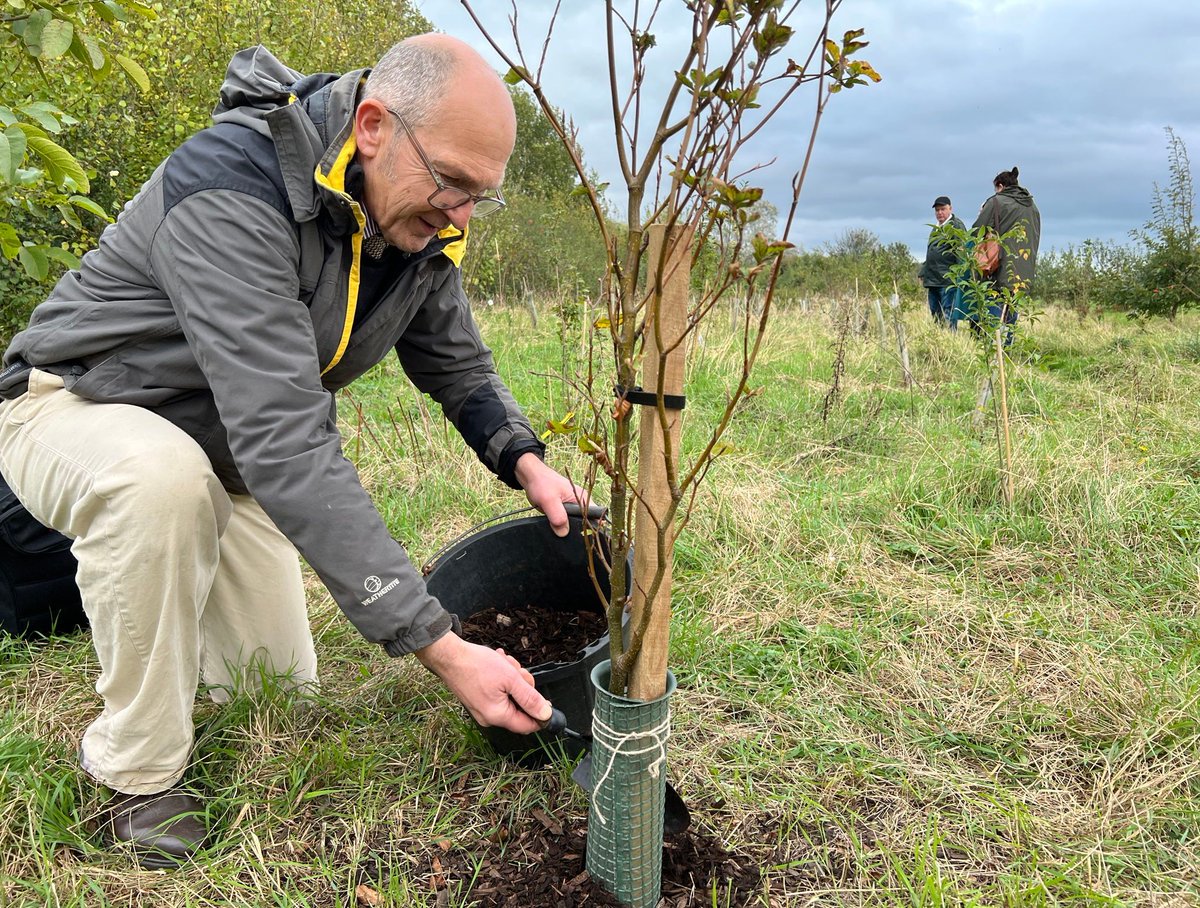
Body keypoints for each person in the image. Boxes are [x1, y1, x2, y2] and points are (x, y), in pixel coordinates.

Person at [0, 35, 584, 867]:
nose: (460, 214)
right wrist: (439, 644)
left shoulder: (411, 222)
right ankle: (135, 776)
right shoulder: (230, 189)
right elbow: (284, 437)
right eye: (452, 181)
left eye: (478, 197)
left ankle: (159, 582)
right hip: (75, 404)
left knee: (276, 692)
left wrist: (526, 461)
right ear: (373, 126)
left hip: (220, 454)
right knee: (158, 485)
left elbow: (457, 363)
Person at [970, 166, 1041, 340]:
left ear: (1000, 186)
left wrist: (981, 213)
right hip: (1023, 270)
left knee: (994, 312)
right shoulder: (1032, 206)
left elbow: (976, 231)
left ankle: (995, 349)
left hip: (998, 267)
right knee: (1011, 313)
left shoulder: (996, 202)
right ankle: (1007, 349)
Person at [917, 195, 967, 328]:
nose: (940, 213)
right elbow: (932, 252)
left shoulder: (956, 226)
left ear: (950, 208)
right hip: (933, 279)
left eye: (943, 209)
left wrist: (960, 276)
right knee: (936, 314)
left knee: (948, 313)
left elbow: (961, 252)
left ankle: (950, 337)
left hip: (947, 280)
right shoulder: (936, 228)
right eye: (937, 210)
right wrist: (923, 271)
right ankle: (940, 337)